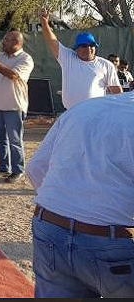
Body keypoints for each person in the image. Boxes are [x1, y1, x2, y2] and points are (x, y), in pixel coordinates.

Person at [25, 93, 134, 298]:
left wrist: (72, 207)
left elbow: (35, 168)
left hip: (50, 225)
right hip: (113, 242)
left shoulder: (83, 108)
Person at [40, 9, 121, 109]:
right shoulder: (68, 58)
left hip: (96, 112)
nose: (88, 48)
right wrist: (44, 23)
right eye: (84, 46)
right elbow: (52, 41)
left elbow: (117, 92)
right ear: (76, 48)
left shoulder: (106, 65)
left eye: (92, 45)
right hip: (72, 112)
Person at [0, 31, 34, 183]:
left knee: (14, 140)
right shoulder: (0, 56)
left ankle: (18, 170)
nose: (3, 42)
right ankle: (3, 168)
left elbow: (12, 75)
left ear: (16, 42)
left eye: (6, 40)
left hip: (14, 106)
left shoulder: (25, 59)